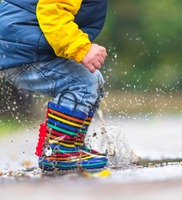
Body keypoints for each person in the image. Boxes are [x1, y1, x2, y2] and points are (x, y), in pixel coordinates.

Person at [0, 0, 108, 171]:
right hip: (21, 48)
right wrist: (81, 48)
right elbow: (51, 11)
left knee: (95, 79)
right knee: (83, 82)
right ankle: (58, 152)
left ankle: (70, 145)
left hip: (22, 43)